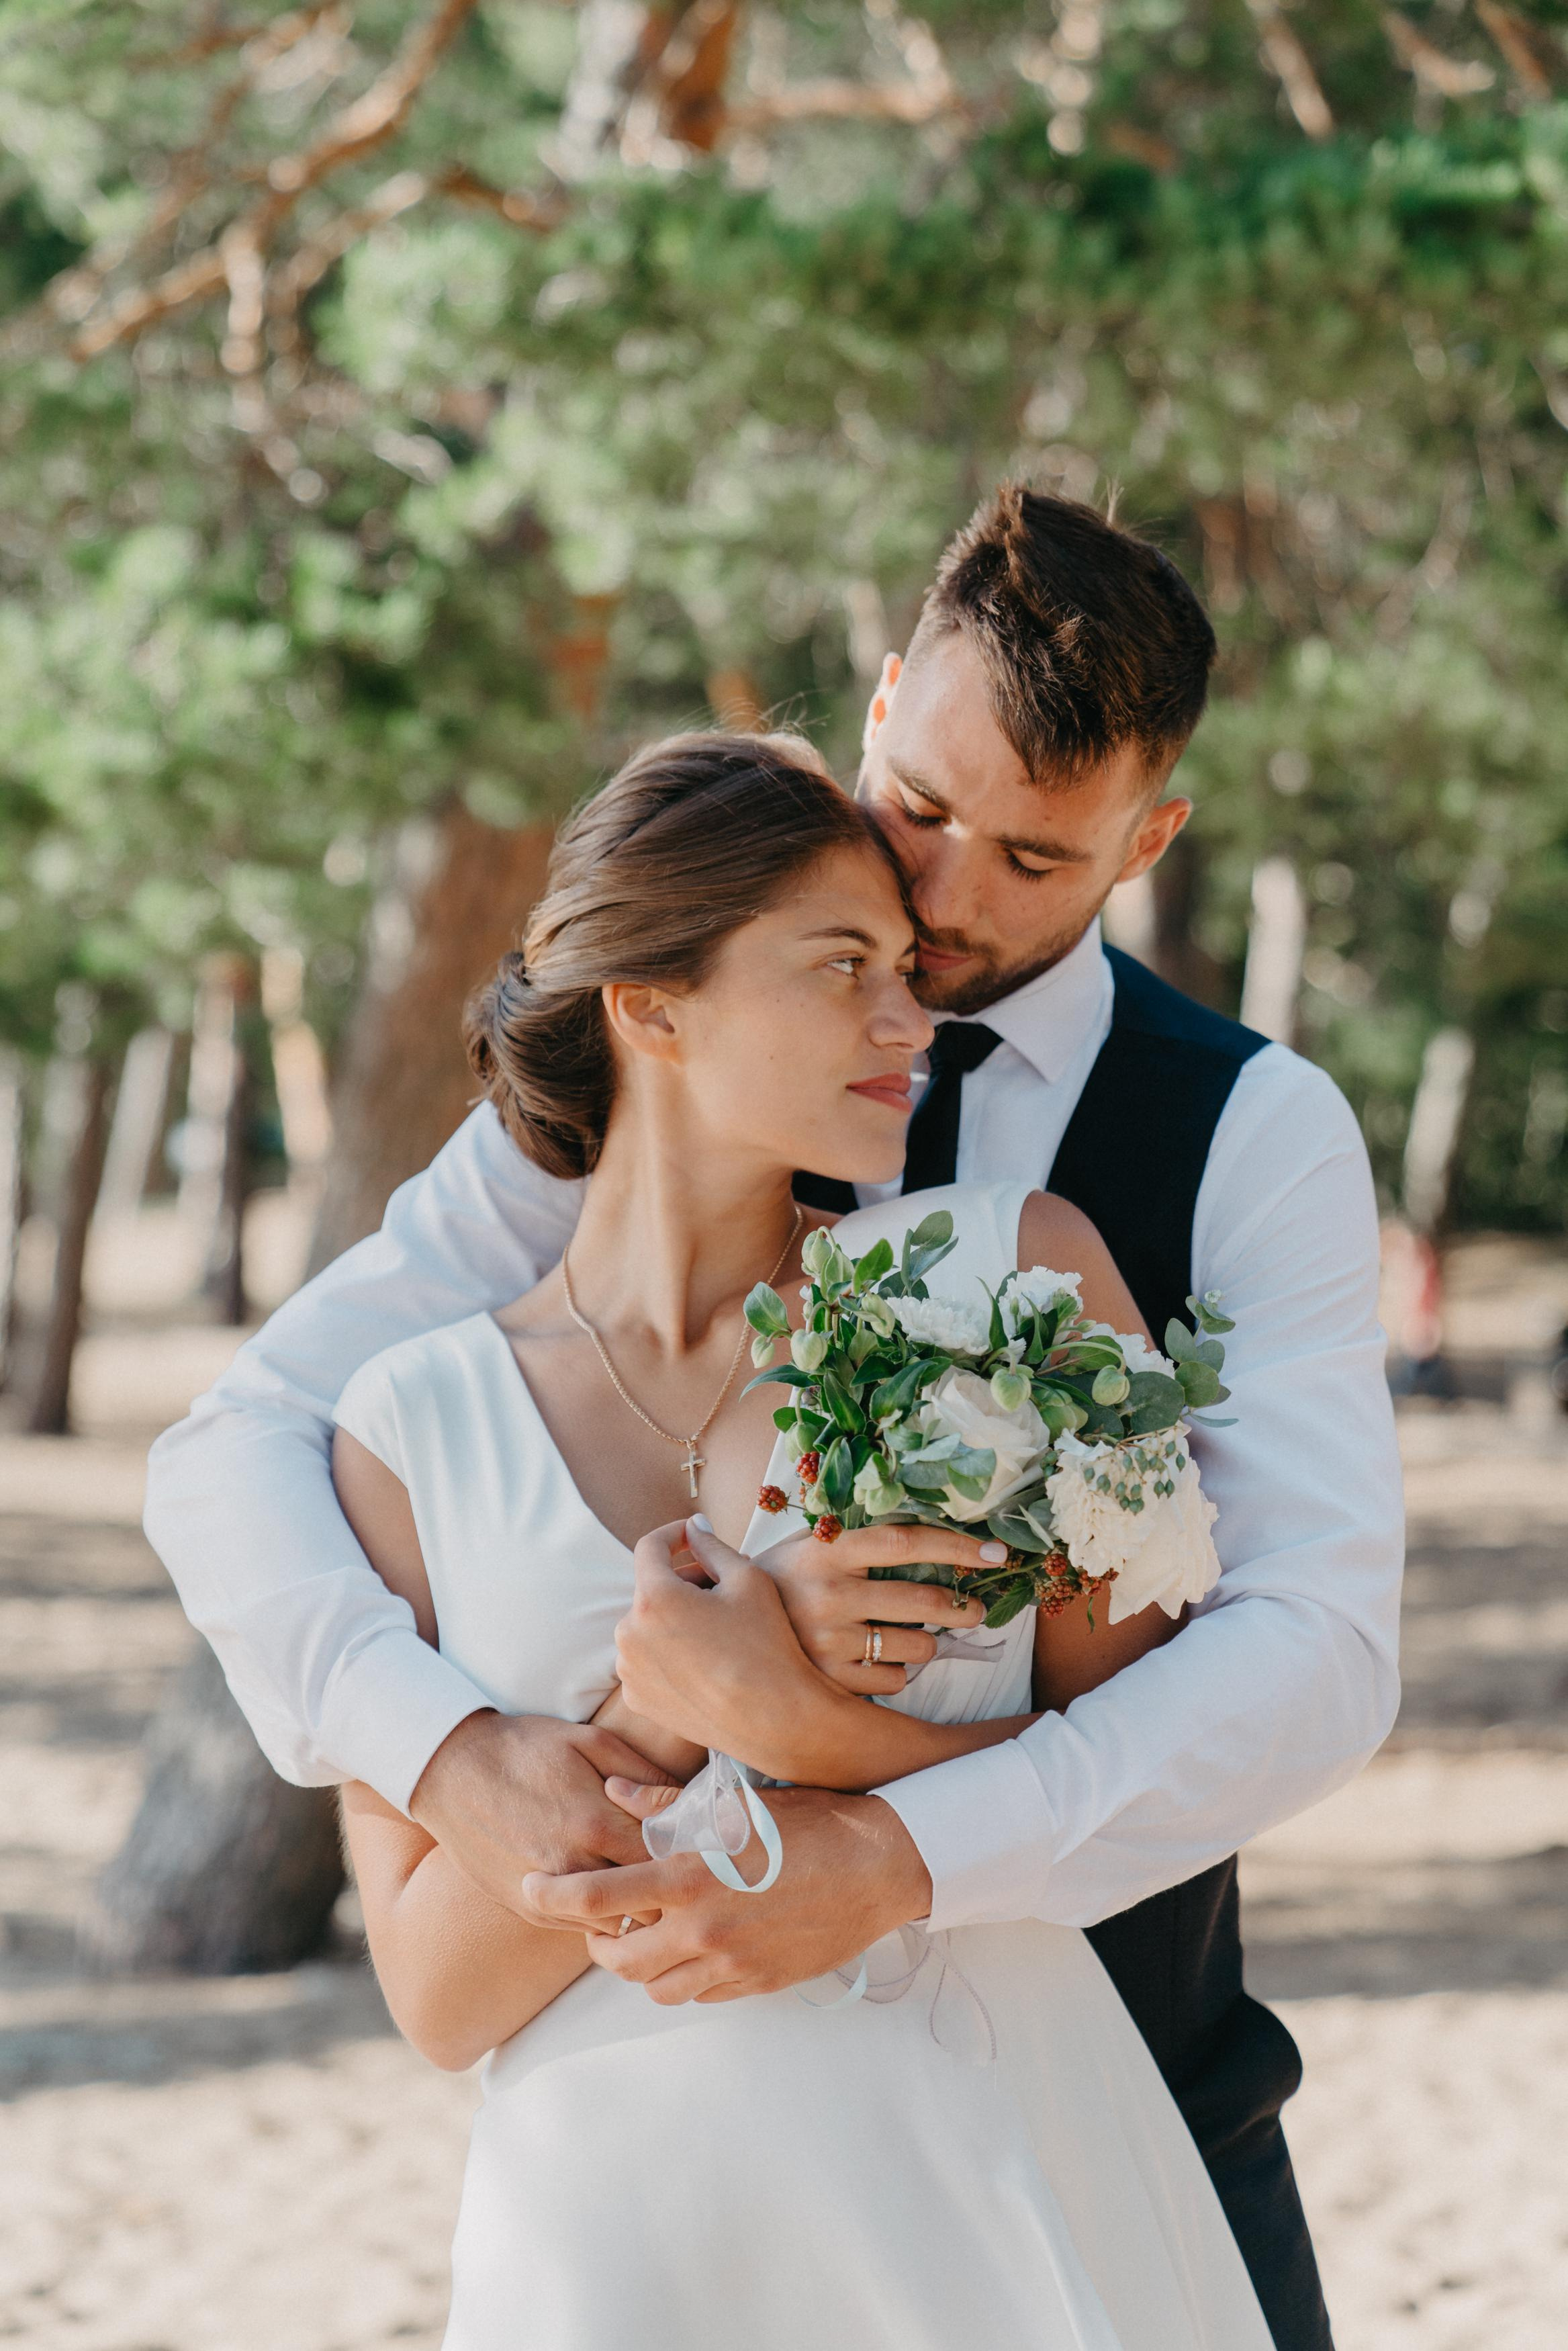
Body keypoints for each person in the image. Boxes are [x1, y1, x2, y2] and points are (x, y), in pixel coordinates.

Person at [146, 488, 1403, 2351]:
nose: (947, 906)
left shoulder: (1237, 1136)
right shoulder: (600, 1112)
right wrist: (447, 1745)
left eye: (1037, 862)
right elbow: (239, 1451)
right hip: (653, 2197)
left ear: (1152, 839)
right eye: (921, 810)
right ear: (882, 701)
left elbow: (1309, 1653)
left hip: (1113, 2075)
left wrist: (871, 1828)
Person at [328, 727, 1273, 2347]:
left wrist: (806, 1726)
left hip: (989, 2171)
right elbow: (438, 1994)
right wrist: (663, 1707)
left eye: (910, 969)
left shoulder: (1016, 1283)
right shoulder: (405, 1427)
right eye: (845, 967)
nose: (914, 1021)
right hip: (622, 2245)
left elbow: (1149, 1786)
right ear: (650, 1002)